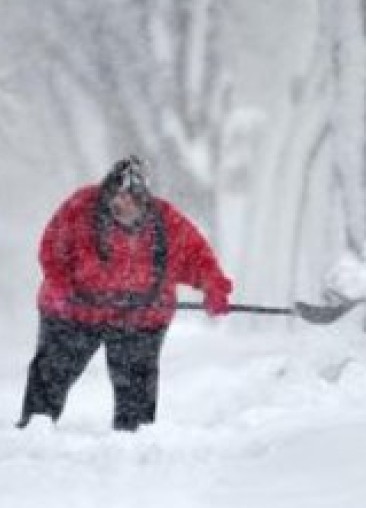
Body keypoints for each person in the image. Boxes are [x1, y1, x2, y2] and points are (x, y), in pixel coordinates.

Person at [16, 156, 233, 432]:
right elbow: (52, 249)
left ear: (144, 201)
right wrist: (61, 288)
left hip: (140, 318)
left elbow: (196, 257)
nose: (121, 204)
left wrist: (213, 287)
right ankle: (33, 428)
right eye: (115, 196)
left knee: (136, 386)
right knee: (52, 374)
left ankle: (134, 442)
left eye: (130, 198)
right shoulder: (80, 208)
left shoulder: (166, 223)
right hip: (76, 312)